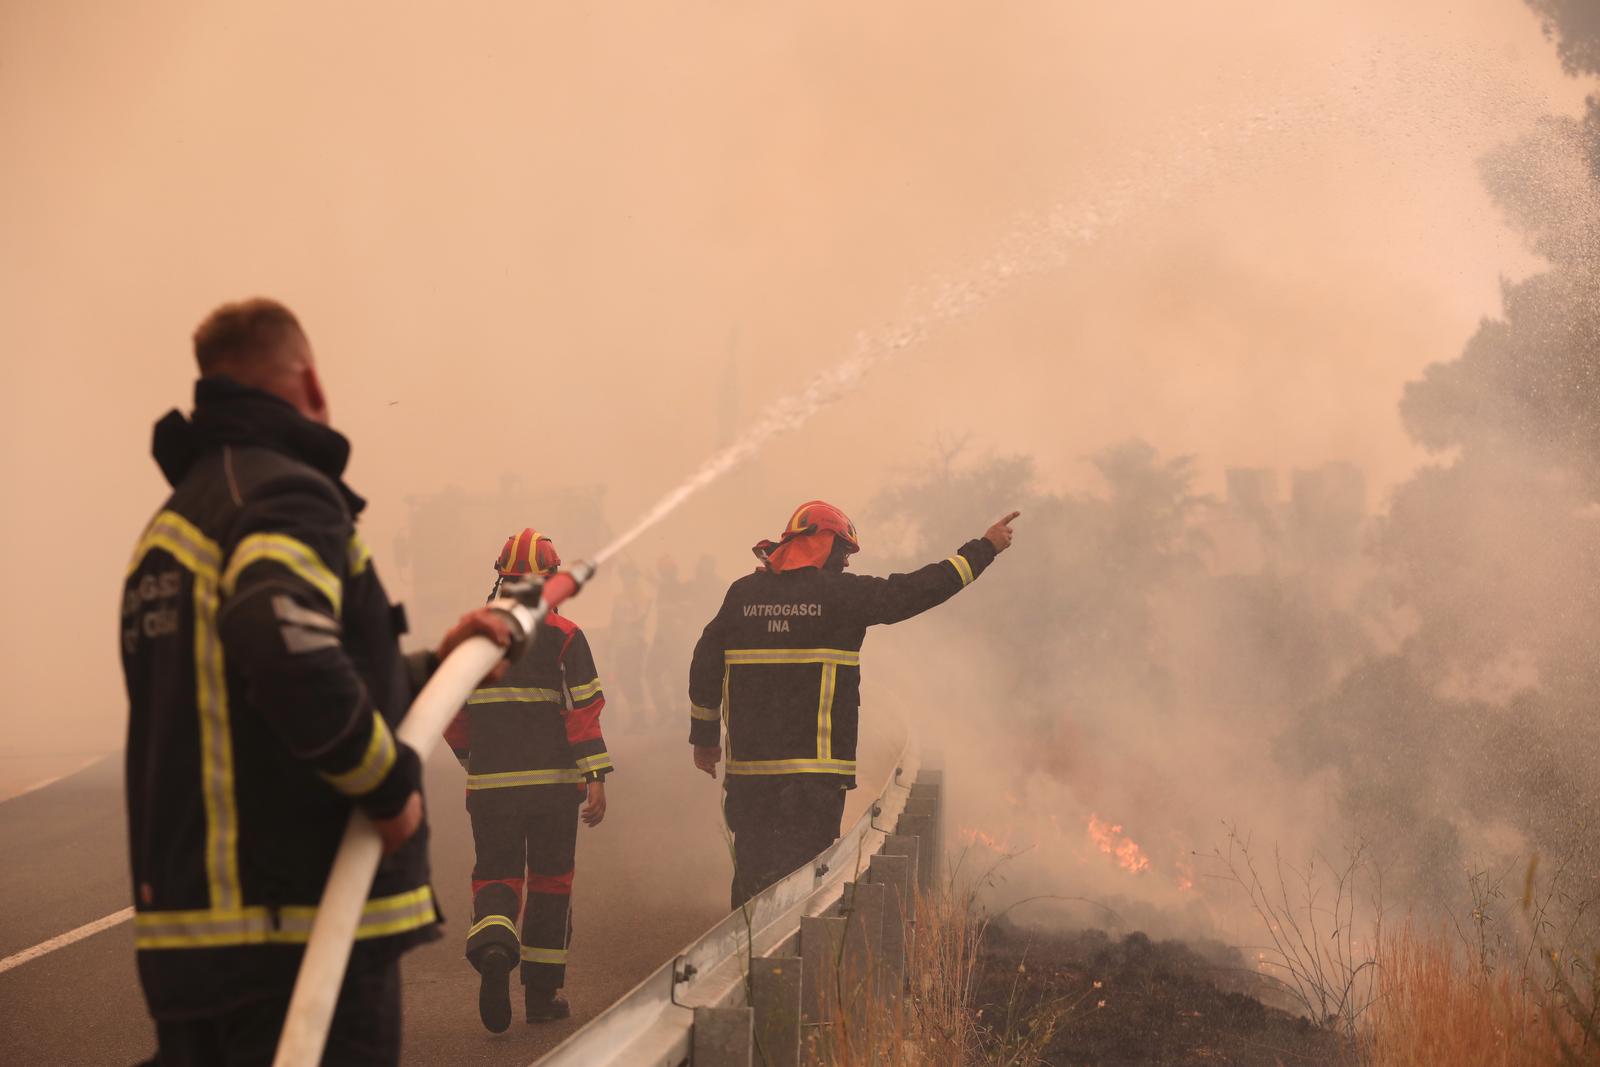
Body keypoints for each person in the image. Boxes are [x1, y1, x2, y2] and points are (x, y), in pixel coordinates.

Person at [121, 297, 513, 1066]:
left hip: (198, 943)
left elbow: (255, 691)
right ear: (310, 379)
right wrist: (386, 785)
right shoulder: (283, 496)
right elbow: (281, 642)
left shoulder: (179, 521)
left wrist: (432, 668)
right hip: (300, 931)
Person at [687, 500, 1018, 908]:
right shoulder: (840, 595)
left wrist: (704, 740)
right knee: (799, 893)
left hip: (750, 780)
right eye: (842, 551)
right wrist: (985, 548)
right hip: (812, 782)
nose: (845, 562)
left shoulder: (742, 596)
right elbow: (917, 590)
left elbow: (705, 663)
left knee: (751, 887)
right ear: (823, 543)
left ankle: (745, 947)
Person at [444, 527, 614, 1031]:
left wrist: (472, 758)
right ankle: (541, 996)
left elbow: (450, 712)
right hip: (554, 789)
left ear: (502, 577)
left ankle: (495, 946)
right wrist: (596, 775)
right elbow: (584, 712)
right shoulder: (565, 635)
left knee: (496, 874)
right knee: (550, 882)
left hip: (491, 787)